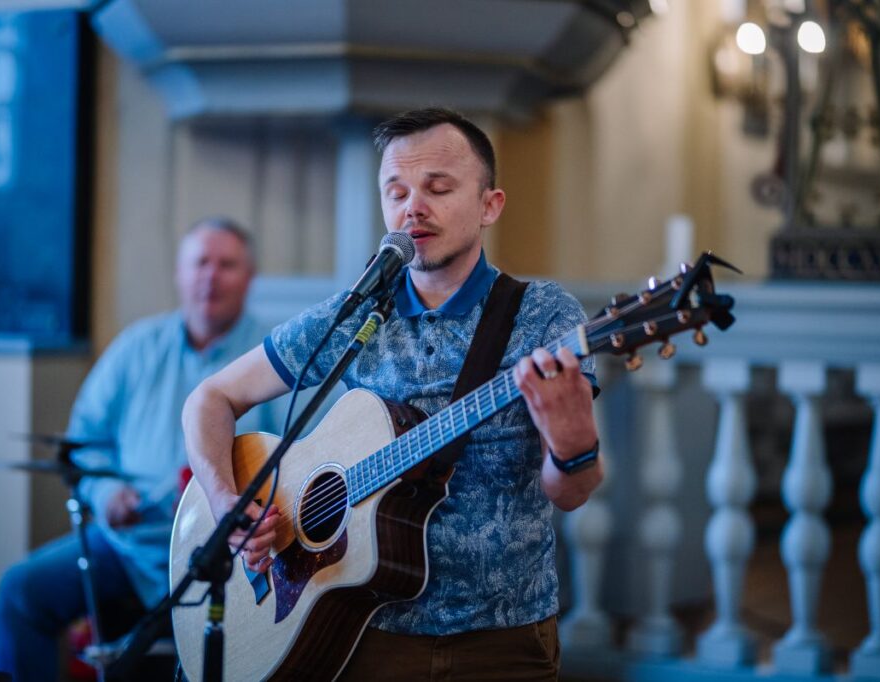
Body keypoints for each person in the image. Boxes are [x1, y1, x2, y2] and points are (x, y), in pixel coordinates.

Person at [183, 108, 603, 680]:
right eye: (397, 192)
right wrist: (225, 501)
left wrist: (574, 446)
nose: (413, 208)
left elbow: (571, 495)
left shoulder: (544, 317)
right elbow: (210, 398)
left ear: (489, 205)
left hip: (503, 638)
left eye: (438, 188)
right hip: (359, 631)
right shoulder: (355, 314)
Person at [0, 218, 284, 681]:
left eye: (226, 265)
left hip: (227, 553)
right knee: (21, 592)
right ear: (179, 273)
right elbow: (85, 442)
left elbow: (298, 454)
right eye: (200, 263)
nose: (210, 276)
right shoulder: (135, 348)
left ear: (249, 278)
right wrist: (106, 494)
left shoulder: (273, 354)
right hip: (128, 547)